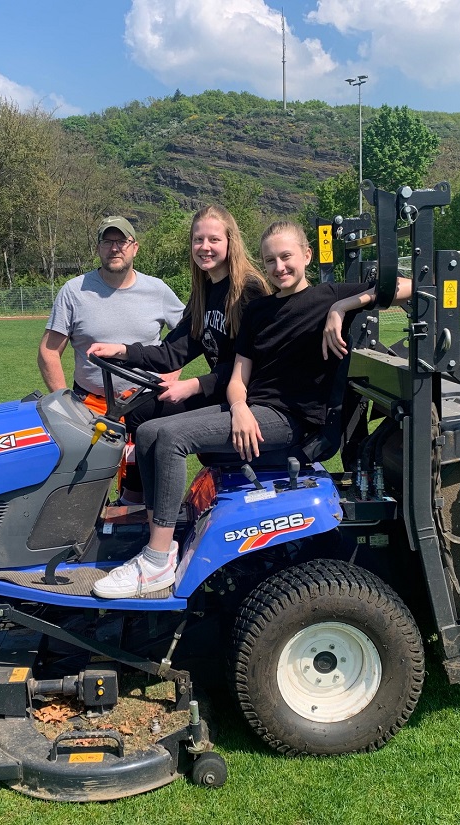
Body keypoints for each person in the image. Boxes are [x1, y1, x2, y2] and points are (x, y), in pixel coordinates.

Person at [92, 219, 413, 599]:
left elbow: (406, 287)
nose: (280, 267)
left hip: (292, 421)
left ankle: (157, 560)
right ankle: (156, 544)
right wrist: (240, 406)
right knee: (147, 431)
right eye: (271, 260)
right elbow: (239, 374)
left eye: (287, 257)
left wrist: (343, 306)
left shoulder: (329, 295)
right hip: (253, 409)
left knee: (172, 438)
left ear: (306, 255)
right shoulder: (259, 310)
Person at [86, 205, 270, 498]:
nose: (204, 247)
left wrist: (193, 385)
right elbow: (172, 353)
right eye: (198, 240)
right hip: (218, 388)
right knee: (138, 412)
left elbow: (251, 365)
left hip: (245, 396)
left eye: (213, 240)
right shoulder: (205, 292)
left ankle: (153, 512)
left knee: (155, 426)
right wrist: (122, 351)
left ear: (230, 242)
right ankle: (134, 501)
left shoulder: (248, 291)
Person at [37, 215, 185, 413]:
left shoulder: (158, 290)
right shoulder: (74, 291)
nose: (114, 248)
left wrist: (172, 374)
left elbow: (187, 334)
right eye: (107, 242)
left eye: (122, 241)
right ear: (98, 248)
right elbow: (49, 352)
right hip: (90, 405)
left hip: (147, 400)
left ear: (135, 248)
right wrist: (66, 404)